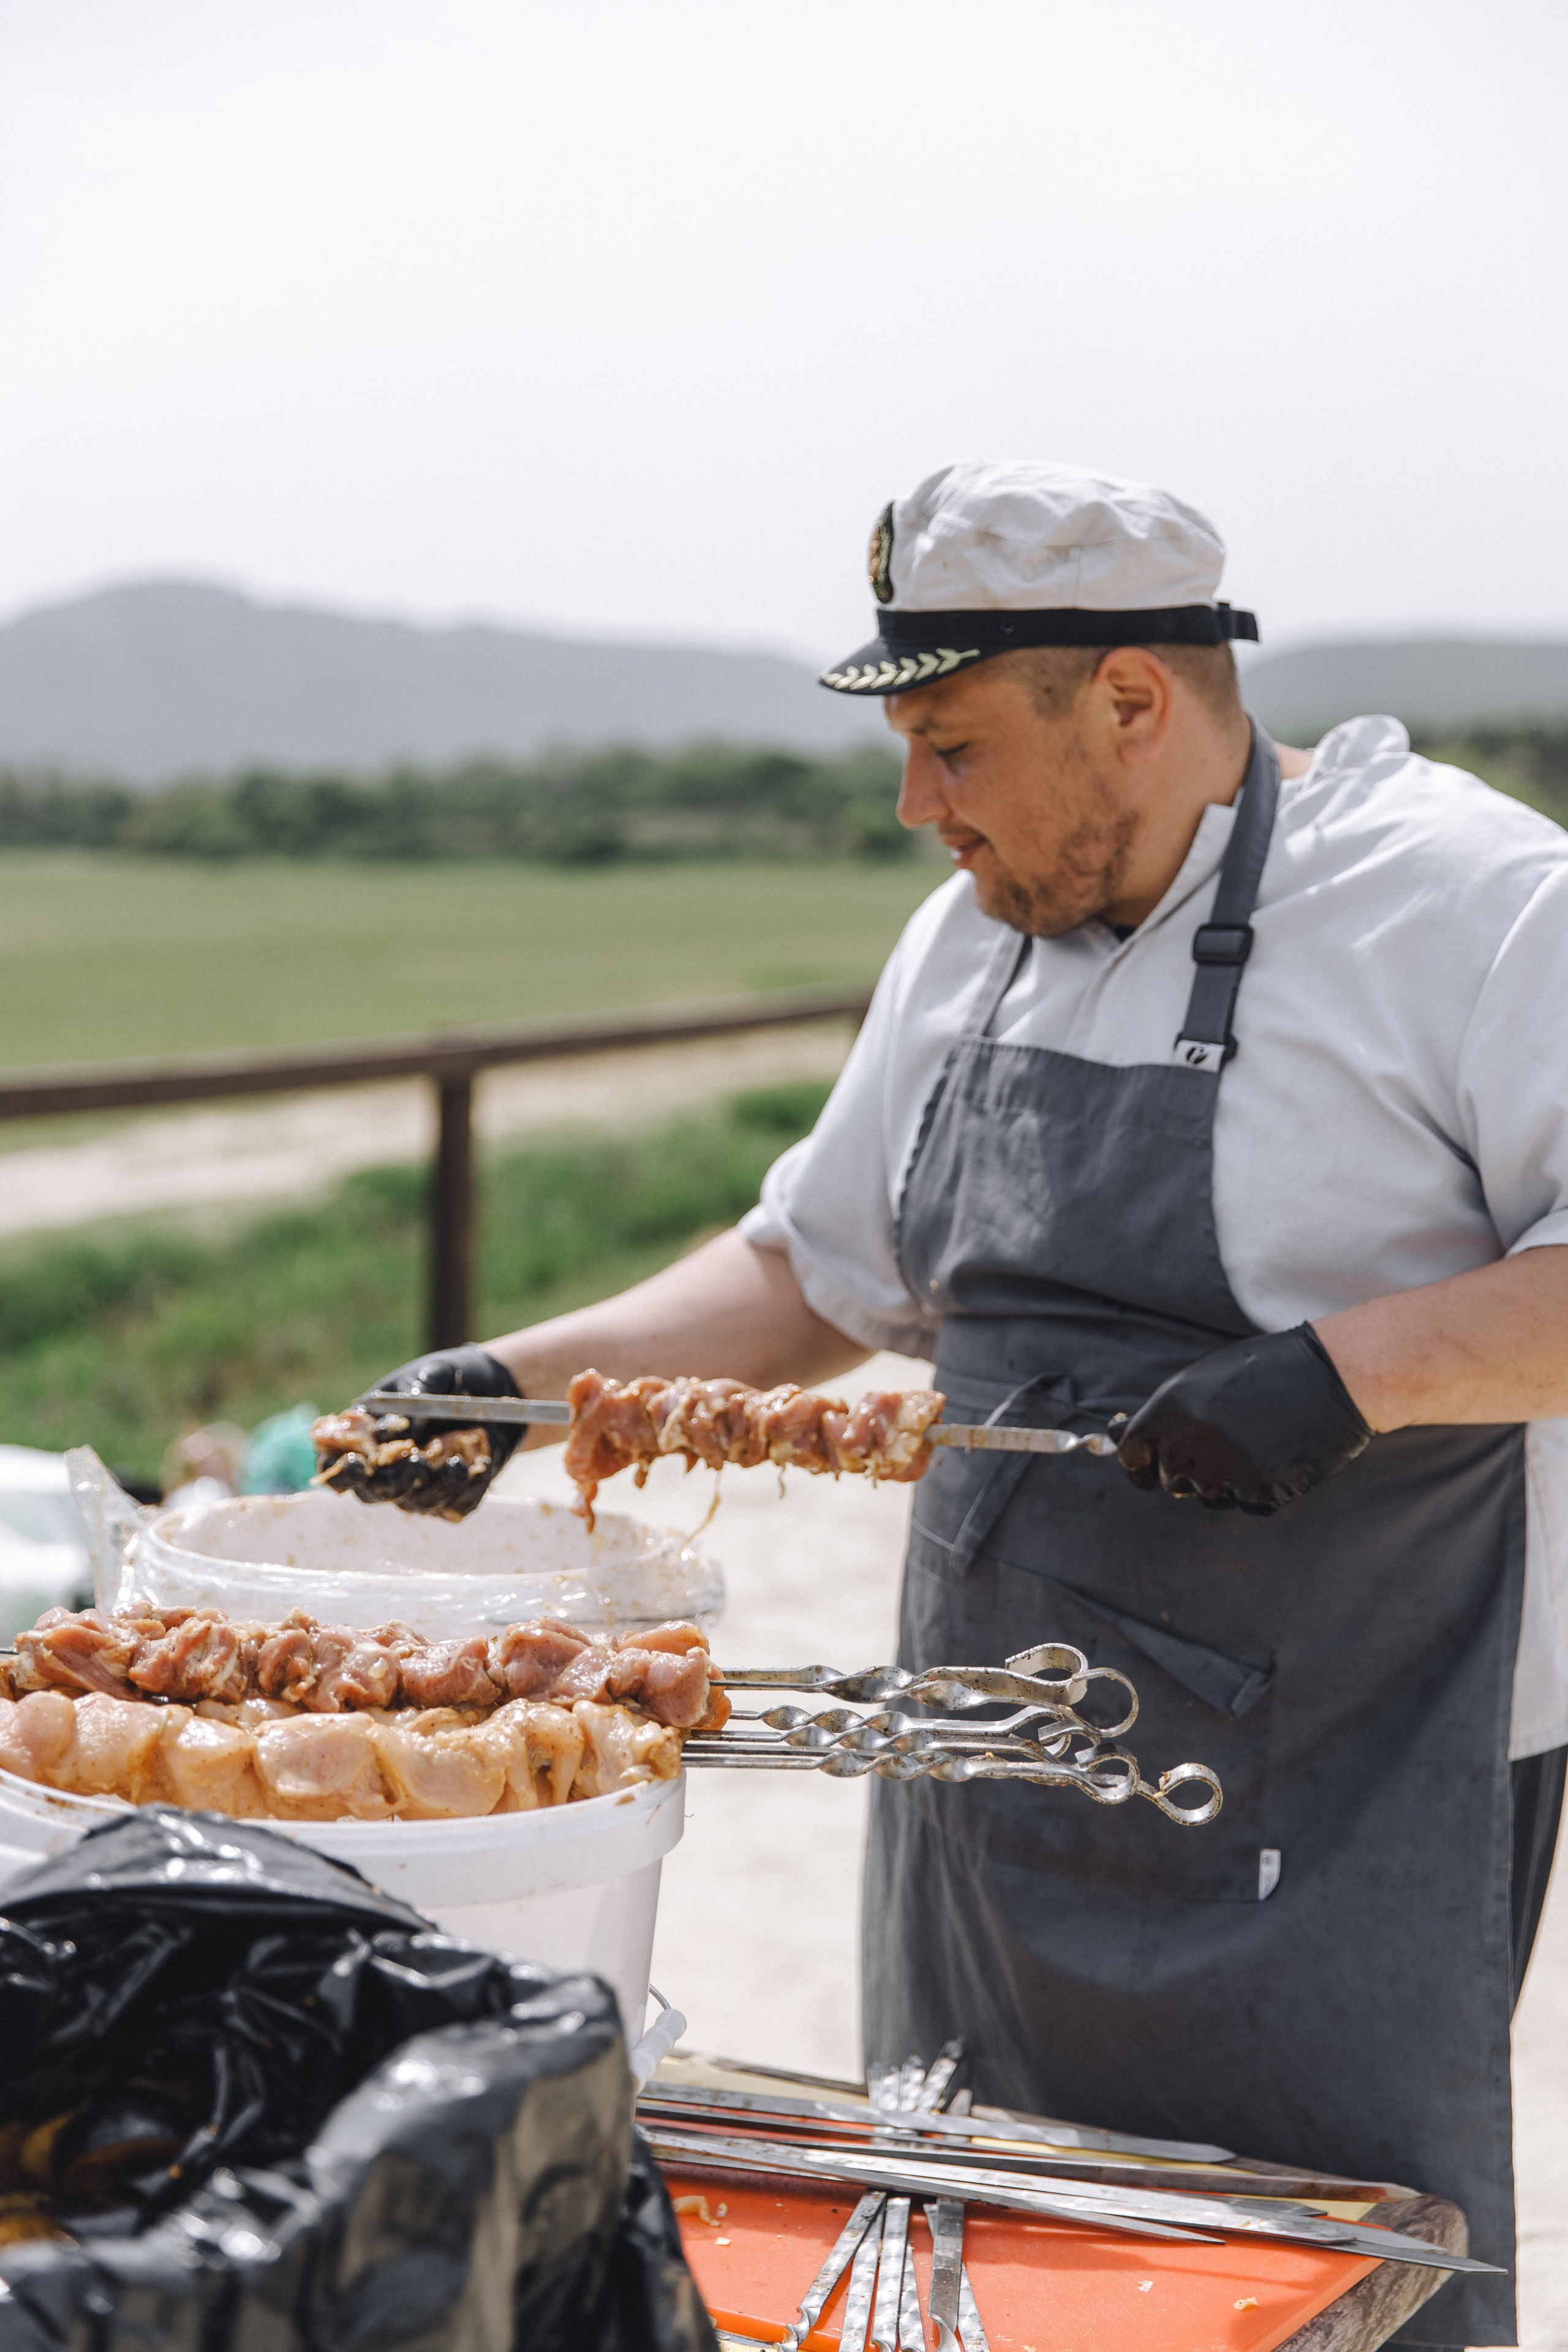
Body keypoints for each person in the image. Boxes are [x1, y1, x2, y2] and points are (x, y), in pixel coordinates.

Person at [364, 462, 1568, 2348]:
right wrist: (509, 1388)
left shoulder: (1473, 910)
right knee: (972, 2247)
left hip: (1340, 1777)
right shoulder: (978, 935)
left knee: (1282, 2281)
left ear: (1132, 701)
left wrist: (1356, 1373)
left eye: (949, 744)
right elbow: (814, 1273)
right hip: (987, 1744)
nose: (918, 807)